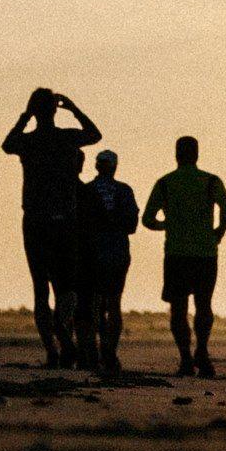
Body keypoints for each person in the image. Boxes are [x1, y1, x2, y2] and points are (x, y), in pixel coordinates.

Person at [0, 86, 100, 364]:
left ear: (35, 111)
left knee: (40, 287)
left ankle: (51, 350)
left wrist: (25, 116)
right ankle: (61, 328)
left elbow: (7, 144)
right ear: (55, 110)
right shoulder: (67, 139)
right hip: (64, 221)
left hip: (35, 220)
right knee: (66, 286)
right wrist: (74, 108)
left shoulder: (29, 142)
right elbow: (94, 134)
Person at [142, 136, 226, 378]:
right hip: (205, 253)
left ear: (176, 155)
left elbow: (147, 219)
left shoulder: (165, 183)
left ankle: (185, 357)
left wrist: (167, 224)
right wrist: (219, 233)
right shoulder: (210, 181)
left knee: (179, 309)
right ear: (197, 154)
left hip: (176, 254)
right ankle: (201, 351)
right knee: (204, 305)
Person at [75, 148, 140, 377]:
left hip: (91, 253)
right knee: (113, 304)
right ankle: (109, 351)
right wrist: (113, 223)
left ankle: (91, 352)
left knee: (92, 305)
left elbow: (78, 224)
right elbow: (132, 225)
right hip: (116, 252)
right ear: (114, 167)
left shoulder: (86, 191)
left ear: (96, 166)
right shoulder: (123, 191)